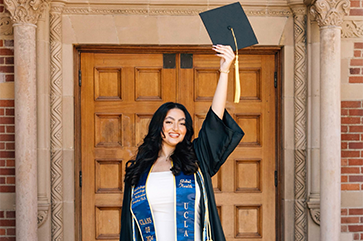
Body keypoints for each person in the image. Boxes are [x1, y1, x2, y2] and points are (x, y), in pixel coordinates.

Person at [120, 45, 244, 241]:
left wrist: (224, 71)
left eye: (182, 123)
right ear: (158, 127)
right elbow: (129, 229)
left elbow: (214, 121)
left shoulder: (195, 160)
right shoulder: (139, 171)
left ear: (186, 130)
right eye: (169, 122)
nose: (175, 128)